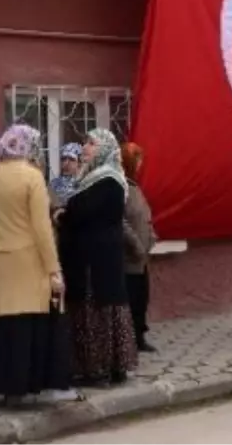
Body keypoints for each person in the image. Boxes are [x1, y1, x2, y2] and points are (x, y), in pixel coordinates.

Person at [0, 124, 76, 404]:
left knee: (3, 324)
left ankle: (7, 389)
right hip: (29, 260)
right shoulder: (32, 177)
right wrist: (54, 269)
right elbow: (42, 228)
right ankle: (27, 385)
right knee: (28, 323)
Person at [59, 128, 138, 386]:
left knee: (98, 311)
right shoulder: (92, 179)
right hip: (92, 259)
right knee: (92, 310)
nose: (85, 148)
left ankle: (100, 367)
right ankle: (102, 366)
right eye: (85, 143)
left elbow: (80, 211)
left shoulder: (109, 181)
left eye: (91, 143)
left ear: (104, 148)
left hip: (98, 262)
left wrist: (62, 213)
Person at [120, 143, 158, 352]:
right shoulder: (123, 188)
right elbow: (122, 221)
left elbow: (145, 217)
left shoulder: (135, 186)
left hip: (142, 257)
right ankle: (131, 339)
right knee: (132, 297)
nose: (141, 164)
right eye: (138, 159)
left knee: (142, 297)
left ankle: (140, 336)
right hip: (130, 256)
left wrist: (151, 237)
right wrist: (136, 244)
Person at [49, 144, 83, 208]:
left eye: (71, 159)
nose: (66, 163)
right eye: (63, 159)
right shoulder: (53, 184)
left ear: (79, 163)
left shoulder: (85, 184)